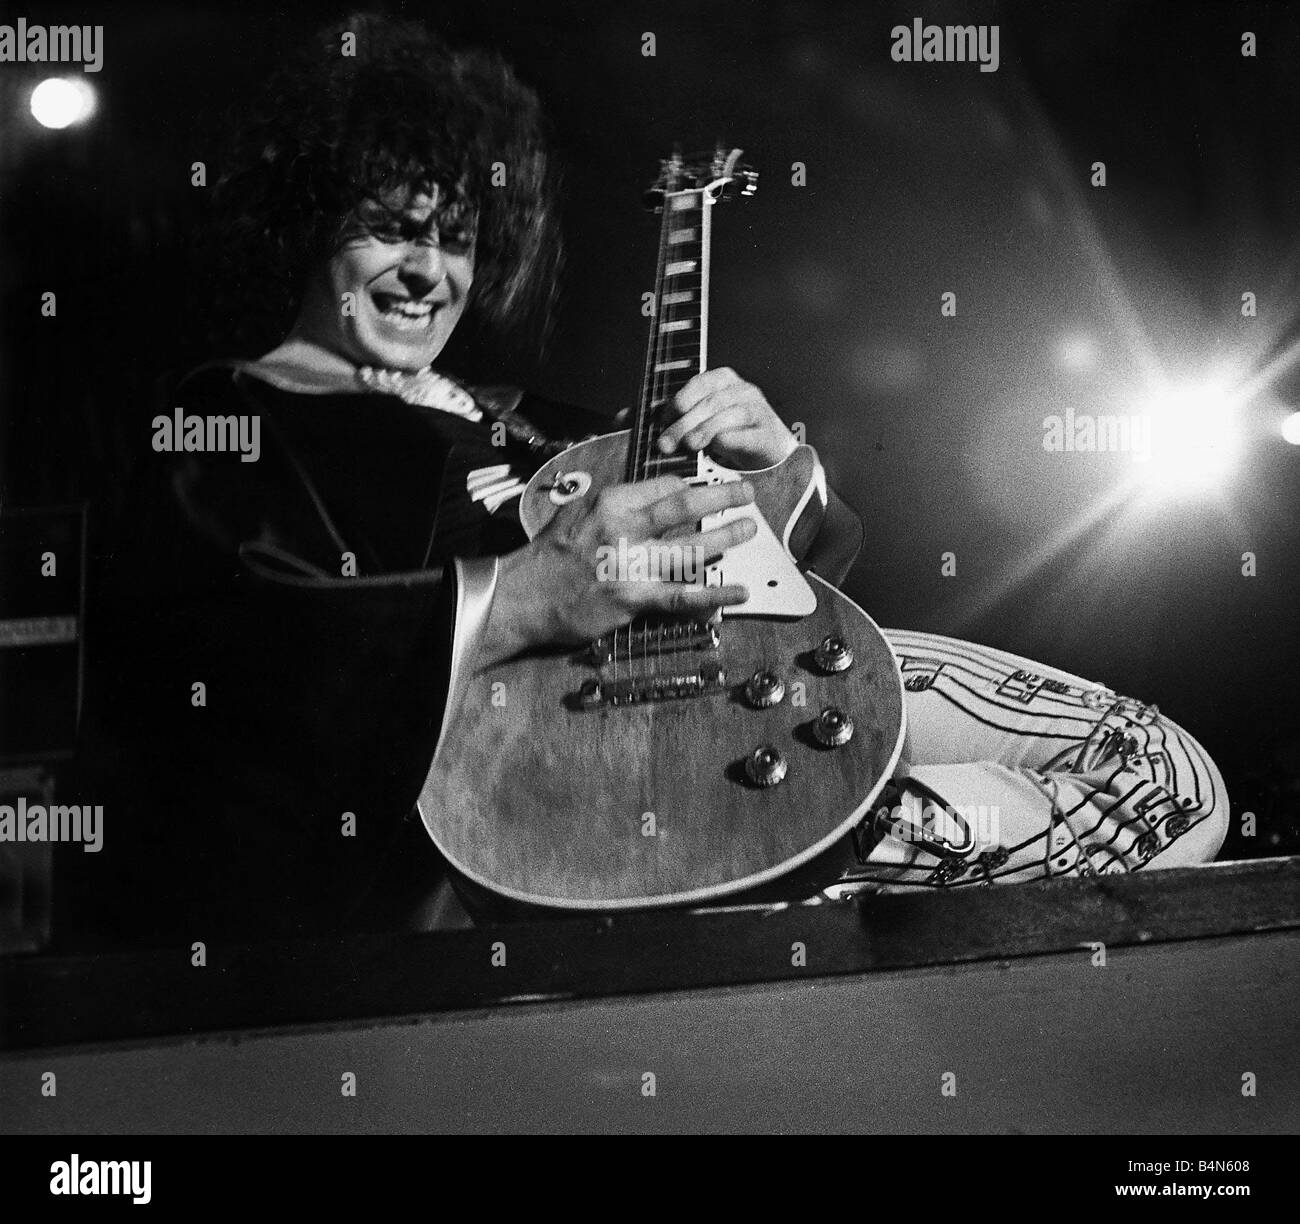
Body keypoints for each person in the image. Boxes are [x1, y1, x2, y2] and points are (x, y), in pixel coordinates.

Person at [72, 14, 1226, 943]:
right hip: (550, 776)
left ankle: (806, 877)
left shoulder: (547, 429)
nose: (429, 270)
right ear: (305, 225)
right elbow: (224, 659)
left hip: (738, 702)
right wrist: (526, 594)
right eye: (388, 229)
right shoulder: (227, 418)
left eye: (458, 238)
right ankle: (763, 886)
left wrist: (775, 471)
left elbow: (781, 587)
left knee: (1163, 770)